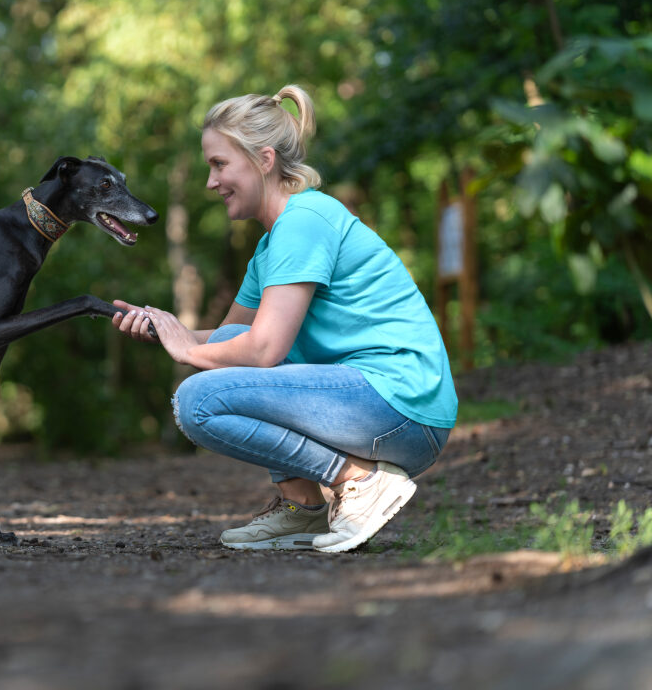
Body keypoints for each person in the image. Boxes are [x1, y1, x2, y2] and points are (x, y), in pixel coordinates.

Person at [112, 86, 457, 553]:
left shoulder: (305, 221)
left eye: (219, 164)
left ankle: (359, 481)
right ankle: (304, 509)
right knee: (227, 349)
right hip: (376, 407)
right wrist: (166, 329)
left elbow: (263, 350)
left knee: (197, 401)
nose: (210, 182)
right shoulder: (272, 245)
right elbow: (232, 338)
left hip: (400, 405)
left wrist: (189, 350)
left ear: (264, 160)